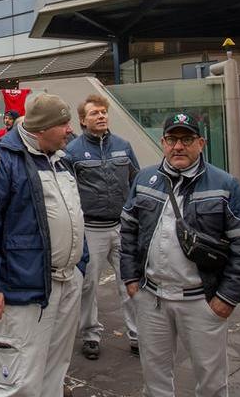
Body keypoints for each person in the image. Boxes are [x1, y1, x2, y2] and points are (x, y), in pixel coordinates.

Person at [121, 112, 240, 397]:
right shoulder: (146, 178)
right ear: (163, 142)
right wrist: (131, 279)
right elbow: (128, 231)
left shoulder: (224, 184)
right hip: (152, 299)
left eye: (186, 139)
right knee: (154, 378)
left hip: (201, 301)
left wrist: (226, 298)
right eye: (172, 139)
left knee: (211, 382)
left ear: (201, 143)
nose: (178, 146)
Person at [0, 94, 88, 397]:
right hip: (23, 288)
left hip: (66, 281)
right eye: (63, 123)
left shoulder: (62, 159)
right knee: (17, 376)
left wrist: (79, 265)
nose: (69, 130)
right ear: (43, 128)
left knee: (55, 368)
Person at [66, 95, 140, 360]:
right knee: (87, 286)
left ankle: (137, 334)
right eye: (94, 113)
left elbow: (135, 182)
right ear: (83, 120)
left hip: (122, 227)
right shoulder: (72, 152)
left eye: (103, 112)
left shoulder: (124, 146)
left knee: (130, 281)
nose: (101, 116)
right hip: (91, 229)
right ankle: (90, 335)